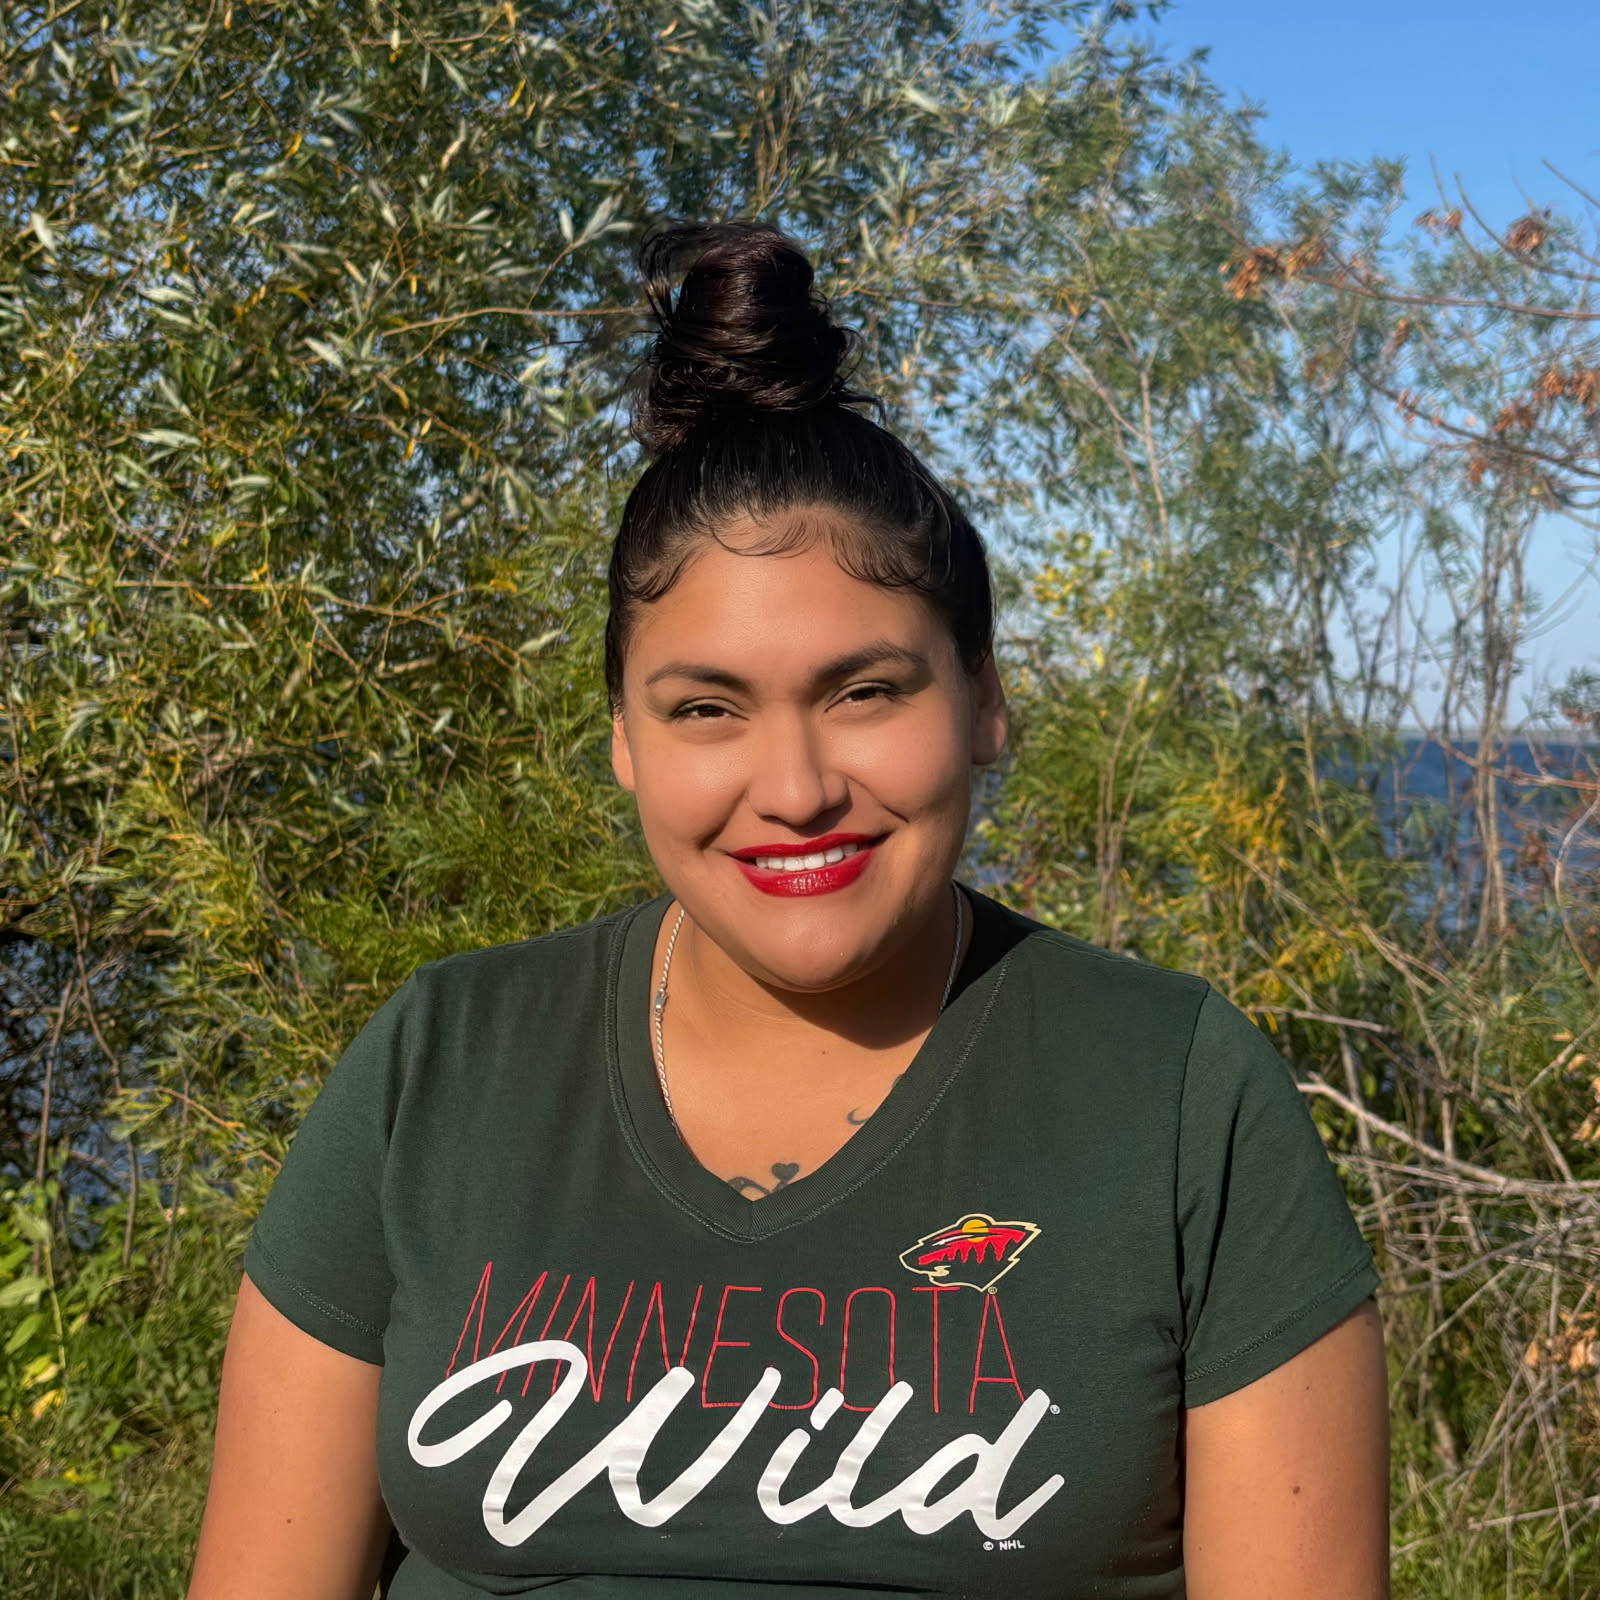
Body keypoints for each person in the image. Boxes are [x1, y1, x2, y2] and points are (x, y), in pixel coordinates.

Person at [187, 221, 1389, 1600]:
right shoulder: (442, 1065)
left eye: (865, 692)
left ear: (985, 703)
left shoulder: (1175, 1096)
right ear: (624, 739)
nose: (798, 789)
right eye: (706, 709)